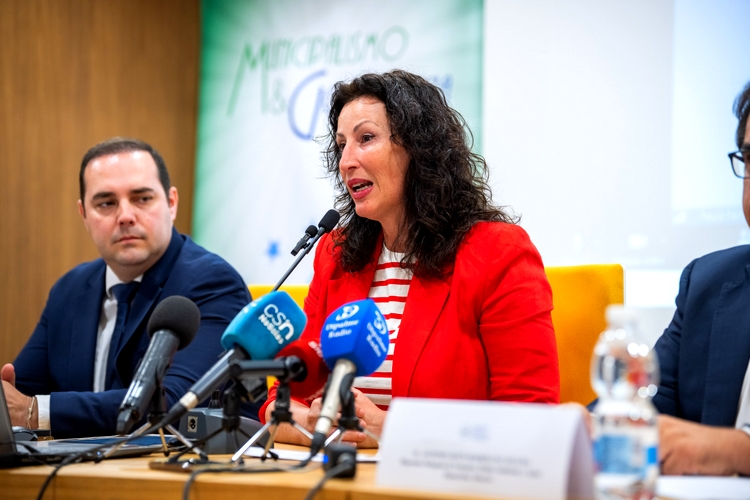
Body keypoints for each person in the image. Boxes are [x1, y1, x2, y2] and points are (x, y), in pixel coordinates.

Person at [260, 70, 560, 448]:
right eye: (341, 145)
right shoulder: (335, 255)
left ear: (418, 148)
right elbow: (279, 405)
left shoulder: (498, 252)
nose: (346, 161)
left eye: (366, 138)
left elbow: (532, 420)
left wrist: (389, 430)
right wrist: (320, 423)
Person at [0, 138, 254, 438]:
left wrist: (34, 412)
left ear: (171, 203)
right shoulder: (70, 290)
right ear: (84, 215)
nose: (125, 216)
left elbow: (174, 407)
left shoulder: (213, 283)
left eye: (142, 198)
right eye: (106, 203)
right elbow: (18, 396)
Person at [653, 82, 750, 475]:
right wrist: (588, 426)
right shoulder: (708, 283)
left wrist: (736, 452)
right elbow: (647, 404)